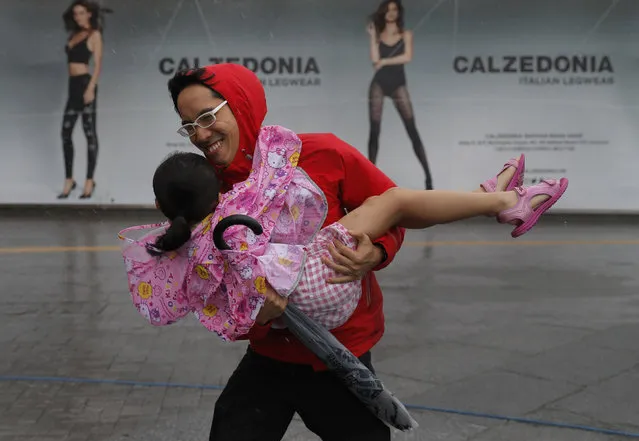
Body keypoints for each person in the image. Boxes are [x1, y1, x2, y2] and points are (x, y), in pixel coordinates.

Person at [162, 63, 562, 441]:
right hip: (268, 357)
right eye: (189, 125)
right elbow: (213, 291)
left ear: (240, 103)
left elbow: (398, 214)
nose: (200, 135)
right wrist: (258, 320)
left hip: (340, 354)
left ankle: (492, 197)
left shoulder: (321, 154)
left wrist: (377, 252)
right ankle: (493, 196)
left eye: (208, 116)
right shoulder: (205, 193)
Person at [119, 127, 567, 342]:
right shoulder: (235, 213)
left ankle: (487, 195)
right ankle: (506, 203)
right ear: (219, 190)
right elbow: (282, 191)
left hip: (302, 303)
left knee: (391, 204)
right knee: (389, 202)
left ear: (162, 209)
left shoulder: (182, 253)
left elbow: (218, 313)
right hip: (320, 279)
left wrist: (257, 312)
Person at [367, 0, 433, 190]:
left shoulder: (406, 34)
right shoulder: (378, 35)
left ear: (398, 12)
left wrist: (385, 61)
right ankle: (369, 179)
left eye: (394, 9)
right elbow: (374, 59)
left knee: (412, 129)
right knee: (374, 131)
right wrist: (372, 37)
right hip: (379, 84)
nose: (391, 13)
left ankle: (428, 178)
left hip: (398, 84)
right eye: (387, 10)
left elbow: (407, 57)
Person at [58, 1, 112, 199]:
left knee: (89, 133)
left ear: (89, 14)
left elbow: (98, 65)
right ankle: (69, 179)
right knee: (65, 132)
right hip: (72, 86)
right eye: (75, 13)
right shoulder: (74, 35)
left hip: (85, 84)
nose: (78, 17)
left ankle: (89, 180)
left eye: (81, 13)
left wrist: (91, 88)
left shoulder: (94, 35)